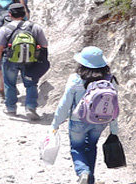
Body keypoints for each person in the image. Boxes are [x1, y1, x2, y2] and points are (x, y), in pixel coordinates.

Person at [52, 47, 120, 184]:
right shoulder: (110, 80)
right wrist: (114, 129)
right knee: (91, 147)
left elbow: (64, 104)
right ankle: (90, 180)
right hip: (101, 121)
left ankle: (83, 172)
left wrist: (56, 123)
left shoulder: (75, 79)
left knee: (77, 148)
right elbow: (114, 106)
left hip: (78, 121)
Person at [0, 2, 47, 120]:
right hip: (31, 61)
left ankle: (11, 108)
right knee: (31, 84)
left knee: (10, 84)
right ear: (25, 14)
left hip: (10, 60)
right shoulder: (35, 27)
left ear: (10, 14)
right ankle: (30, 107)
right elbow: (44, 45)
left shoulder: (5, 29)